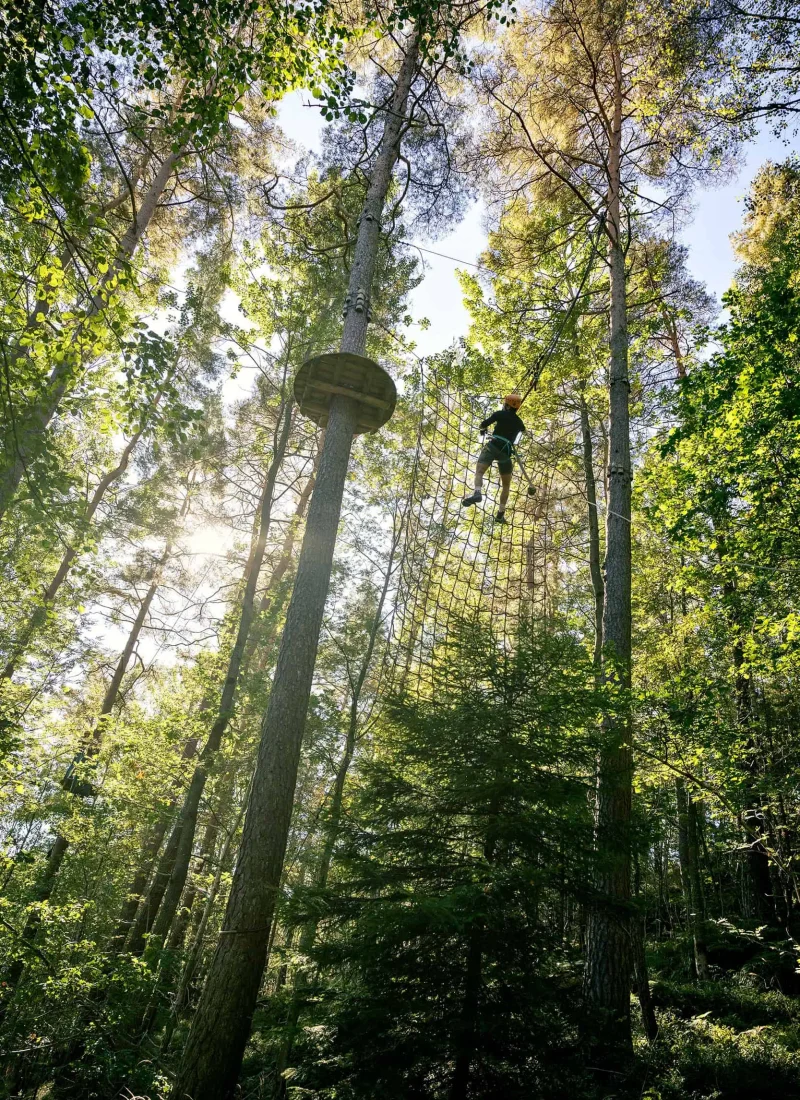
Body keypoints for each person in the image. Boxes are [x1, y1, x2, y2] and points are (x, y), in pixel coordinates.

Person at [461, 393, 526, 523]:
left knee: (479, 471)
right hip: (506, 453)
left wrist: (483, 429)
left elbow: (483, 424)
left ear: (507, 405)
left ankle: (477, 493)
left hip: (493, 446)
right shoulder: (520, 423)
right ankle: (501, 513)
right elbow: (521, 434)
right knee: (506, 485)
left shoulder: (499, 414)